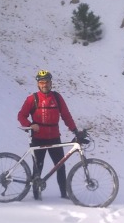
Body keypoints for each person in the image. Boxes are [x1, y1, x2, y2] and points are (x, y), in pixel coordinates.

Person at [17, 70, 79, 199]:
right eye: (42, 82)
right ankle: (36, 196)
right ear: (38, 84)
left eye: (47, 82)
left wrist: (75, 130)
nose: (45, 85)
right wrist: (30, 125)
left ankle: (64, 194)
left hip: (54, 138)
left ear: (51, 83)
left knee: (60, 166)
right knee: (38, 168)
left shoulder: (57, 97)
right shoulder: (32, 99)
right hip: (38, 138)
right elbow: (21, 115)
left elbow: (66, 115)